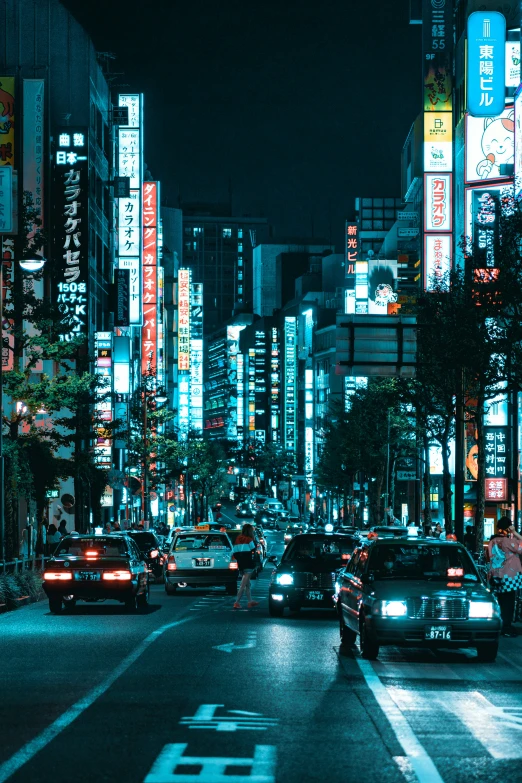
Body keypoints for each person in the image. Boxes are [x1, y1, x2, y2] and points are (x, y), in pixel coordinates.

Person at [488, 517, 522, 637]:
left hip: (496, 575)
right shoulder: (508, 542)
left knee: (500, 601)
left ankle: (499, 624)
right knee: (509, 602)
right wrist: (515, 533)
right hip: (509, 577)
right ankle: (506, 626)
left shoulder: (492, 541)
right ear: (508, 528)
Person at [232, 523, 259, 610]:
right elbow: (254, 550)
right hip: (248, 563)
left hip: (241, 564)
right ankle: (237, 602)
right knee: (243, 584)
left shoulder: (237, 539)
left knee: (247, 584)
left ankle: (250, 601)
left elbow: (234, 552)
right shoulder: (249, 539)